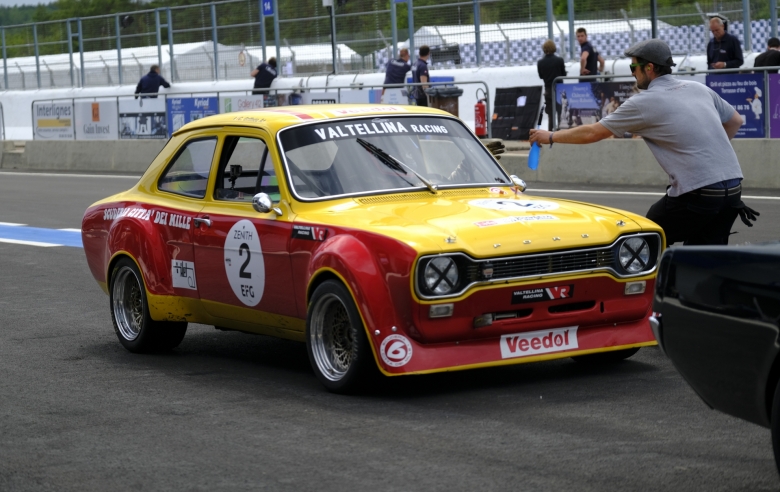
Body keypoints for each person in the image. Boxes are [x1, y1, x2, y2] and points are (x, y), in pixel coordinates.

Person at [528, 39, 759, 246]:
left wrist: (550, 136)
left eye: (633, 67)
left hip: (700, 192)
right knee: (704, 257)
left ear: (649, 68)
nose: (632, 74)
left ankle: (648, 290)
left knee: (646, 239)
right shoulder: (698, 88)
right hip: (734, 190)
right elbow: (735, 121)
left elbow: (593, 133)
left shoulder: (644, 101)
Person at [537, 40, 567, 131]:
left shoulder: (540, 62)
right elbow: (563, 74)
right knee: (559, 111)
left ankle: (550, 131)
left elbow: (541, 76)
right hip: (559, 89)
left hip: (548, 89)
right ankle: (560, 130)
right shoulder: (559, 60)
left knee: (550, 113)